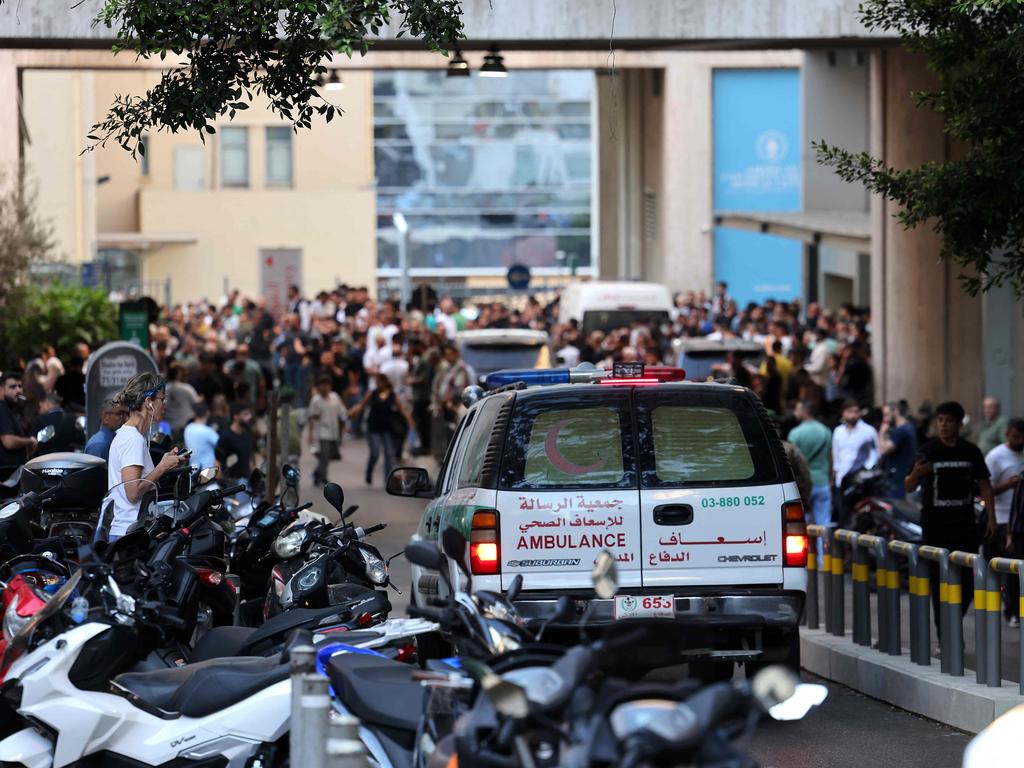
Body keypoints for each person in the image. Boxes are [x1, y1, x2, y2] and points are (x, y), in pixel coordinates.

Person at [905, 400, 996, 635]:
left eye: (949, 421)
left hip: (965, 526)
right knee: (939, 581)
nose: (944, 426)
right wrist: (916, 473)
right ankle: (945, 633)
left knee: (968, 581)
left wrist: (991, 519)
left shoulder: (971, 452)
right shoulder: (928, 451)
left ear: (959, 424)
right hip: (935, 527)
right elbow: (908, 485)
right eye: (940, 421)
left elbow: (985, 485)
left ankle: (954, 620)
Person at [103, 373, 186, 540]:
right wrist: (162, 467)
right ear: (149, 402)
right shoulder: (133, 439)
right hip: (129, 534)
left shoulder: (129, 436)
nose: (164, 405)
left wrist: (164, 462)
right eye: (162, 399)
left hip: (126, 532)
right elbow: (133, 493)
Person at [984, 418, 1024, 626]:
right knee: (1010, 568)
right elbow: (985, 490)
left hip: (1019, 519)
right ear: (1007, 434)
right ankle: (1011, 611)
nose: (1019, 441)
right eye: (1015, 436)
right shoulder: (996, 456)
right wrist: (1008, 485)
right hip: (1001, 518)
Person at [349, 373, 413, 486]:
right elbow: (362, 405)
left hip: (387, 428)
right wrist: (352, 412)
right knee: (375, 453)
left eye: (379, 381)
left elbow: (402, 410)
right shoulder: (372, 393)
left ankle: (387, 479)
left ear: (385, 381)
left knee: (389, 453)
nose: (377, 384)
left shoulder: (392, 395)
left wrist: (411, 424)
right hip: (373, 427)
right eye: (376, 382)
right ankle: (369, 473)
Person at [789, 400, 832, 555]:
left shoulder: (796, 433)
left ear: (804, 412)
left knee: (801, 525)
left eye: (797, 409)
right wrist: (830, 478)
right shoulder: (825, 431)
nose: (795, 412)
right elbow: (830, 457)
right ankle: (823, 560)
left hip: (803, 486)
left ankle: (804, 559)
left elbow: (793, 462)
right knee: (823, 524)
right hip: (822, 481)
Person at [831, 399, 879, 526]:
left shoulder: (868, 431)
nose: (853, 415)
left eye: (856, 411)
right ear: (843, 413)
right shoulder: (838, 431)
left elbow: (875, 455)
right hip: (842, 480)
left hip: (861, 482)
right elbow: (836, 456)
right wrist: (835, 477)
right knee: (843, 516)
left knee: (862, 518)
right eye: (849, 411)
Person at [307, 375, 348, 486]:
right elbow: (310, 417)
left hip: (334, 431)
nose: (324, 388)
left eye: (326, 386)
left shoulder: (335, 397)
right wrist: (310, 434)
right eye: (322, 386)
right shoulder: (315, 400)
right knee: (324, 455)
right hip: (321, 432)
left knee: (329, 455)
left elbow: (342, 412)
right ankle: (323, 477)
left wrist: (345, 425)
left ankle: (316, 473)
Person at [0, 371, 35, 483]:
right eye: (12, 387)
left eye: (20, 386)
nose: (18, 390)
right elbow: (9, 441)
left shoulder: (10, 409)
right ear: (1, 389)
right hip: (7, 475)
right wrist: (30, 441)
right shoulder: (1, 409)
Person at [879, 401, 918, 499]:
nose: (885, 419)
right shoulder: (906, 427)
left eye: (887, 415)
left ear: (895, 412)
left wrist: (882, 432)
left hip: (898, 479)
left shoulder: (902, 430)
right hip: (900, 476)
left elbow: (883, 450)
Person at [217, 401, 255, 481]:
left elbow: (250, 457)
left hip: (247, 481)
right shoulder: (226, 436)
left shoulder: (247, 434)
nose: (249, 417)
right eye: (245, 414)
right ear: (236, 417)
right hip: (232, 483)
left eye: (249, 413)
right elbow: (217, 460)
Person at [164, 364, 199, 439]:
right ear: (178, 375)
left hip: (170, 428)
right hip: (186, 427)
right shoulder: (188, 389)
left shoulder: (163, 390)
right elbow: (197, 405)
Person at [184, 402, 219, 470]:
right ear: (207, 412)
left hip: (193, 470)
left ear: (194, 413)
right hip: (208, 472)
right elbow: (222, 445)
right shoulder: (207, 431)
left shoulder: (188, 428)